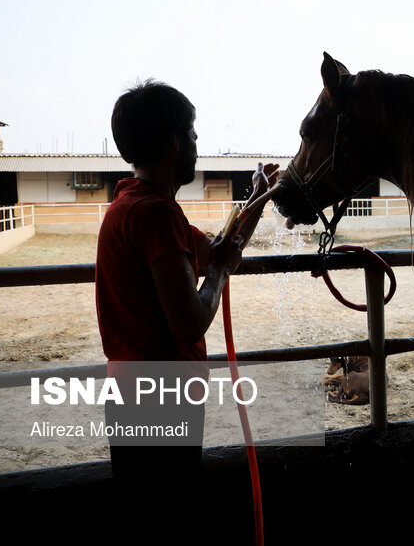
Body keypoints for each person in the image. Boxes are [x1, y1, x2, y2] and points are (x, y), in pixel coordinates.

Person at [94, 79, 277, 540]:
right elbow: (191, 318)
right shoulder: (156, 215)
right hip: (159, 398)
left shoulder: (134, 206)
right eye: (193, 134)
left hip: (136, 395)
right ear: (176, 141)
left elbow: (219, 249)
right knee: (169, 523)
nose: (197, 144)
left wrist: (256, 200)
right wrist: (219, 276)